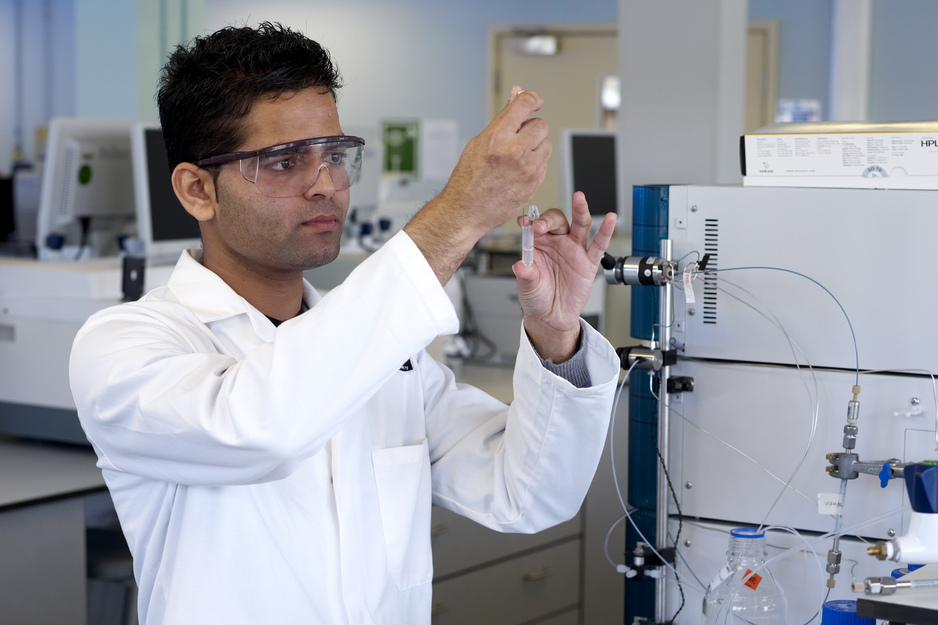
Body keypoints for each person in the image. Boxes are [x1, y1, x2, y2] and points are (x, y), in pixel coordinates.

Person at [69, 21, 619, 625]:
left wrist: (556, 336)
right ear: (198, 189)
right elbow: (261, 425)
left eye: (334, 154)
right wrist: (457, 216)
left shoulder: (386, 358)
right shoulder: (127, 348)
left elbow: (528, 494)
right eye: (282, 161)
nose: (326, 184)